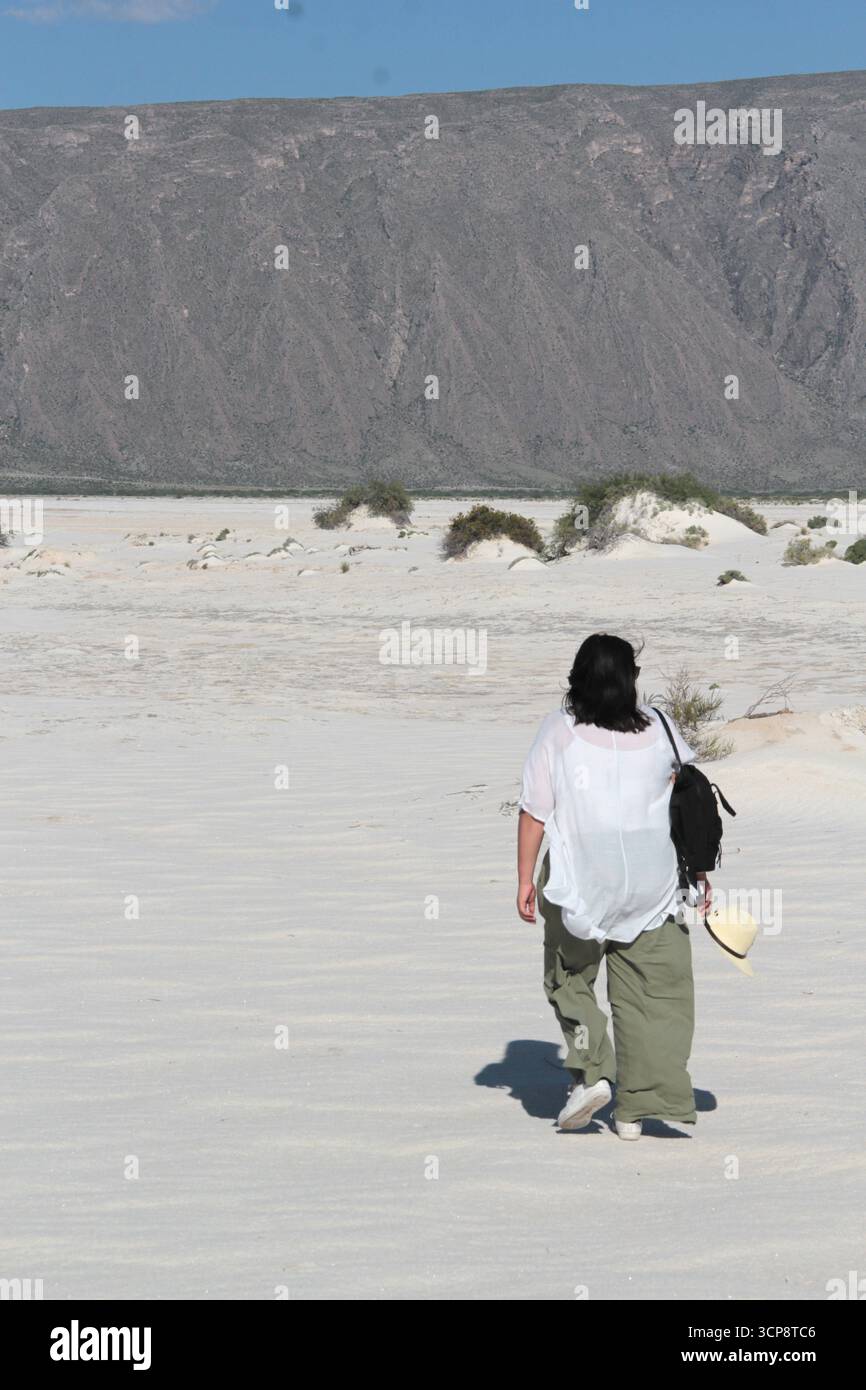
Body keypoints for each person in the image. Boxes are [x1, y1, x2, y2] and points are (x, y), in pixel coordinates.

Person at [516, 633, 710, 1140]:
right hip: (652, 884)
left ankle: (592, 1072)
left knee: (569, 979)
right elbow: (687, 801)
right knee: (655, 994)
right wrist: (699, 871)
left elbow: (535, 812)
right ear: (630, 679)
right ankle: (637, 1109)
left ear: (577, 678)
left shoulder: (559, 730)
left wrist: (523, 879)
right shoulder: (660, 726)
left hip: (580, 882)